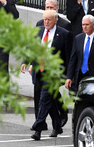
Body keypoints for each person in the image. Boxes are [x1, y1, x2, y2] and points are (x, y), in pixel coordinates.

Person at [22, 10, 72, 140]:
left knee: (44, 99)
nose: (47, 22)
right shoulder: (38, 31)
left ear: (55, 20)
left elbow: (68, 57)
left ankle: (38, 128)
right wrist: (25, 62)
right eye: (45, 20)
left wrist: (67, 75)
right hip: (40, 71)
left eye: (49, 20)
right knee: (50, 100)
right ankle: (57, 126)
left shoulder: (64, 34)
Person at [35, 0, 72, 127]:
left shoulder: (64, 27)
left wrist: (68, 74)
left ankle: (39, 124)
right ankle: (54, 123)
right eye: (47, 7)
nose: (49, 10)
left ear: (56, 9)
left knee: (46, 97)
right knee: (45, 95)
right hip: (40, 68)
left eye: (51, 8)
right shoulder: (40, 25)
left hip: (55, 71)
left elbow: (68, 54)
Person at [65, 14, 94, 93]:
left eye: (87, 25)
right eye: (83, 25)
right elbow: (73, 59)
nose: (84, 27)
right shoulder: (78, 38)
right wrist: (69, 77)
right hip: (79, 75)